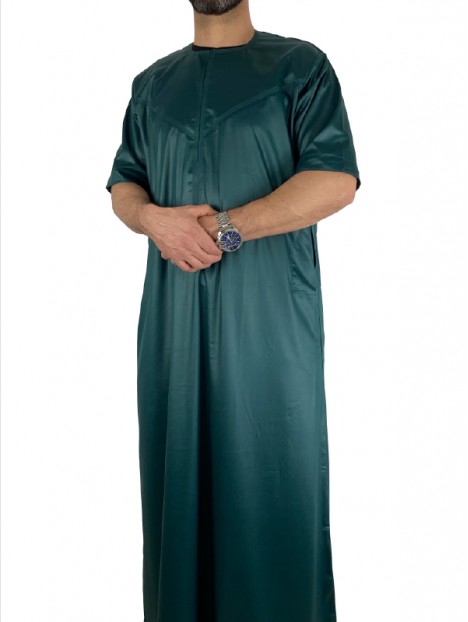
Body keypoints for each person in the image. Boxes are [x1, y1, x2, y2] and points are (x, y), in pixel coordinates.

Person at [105, 0, 361, 620]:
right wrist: (151, 218)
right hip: (172, 324)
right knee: (176, 485)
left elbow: (334, 180)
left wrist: (224, 228)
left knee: (271, 474)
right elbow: (124, 184)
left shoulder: (300, 68)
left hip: (269, 320)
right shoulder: (151, 85)